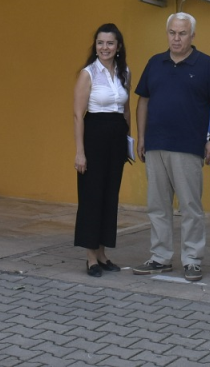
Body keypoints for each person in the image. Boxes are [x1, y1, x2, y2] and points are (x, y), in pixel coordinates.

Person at [133, 12, 210, 282]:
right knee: (157, 206)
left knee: (190, 207)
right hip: (155, 145)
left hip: (188, 147)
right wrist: (141, 137)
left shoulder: (206, 65)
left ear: (192, 35)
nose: (176, 38)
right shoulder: (155, 63)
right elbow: (143, 101)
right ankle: (160, 258)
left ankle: (192, 260)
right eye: (172, 32)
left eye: (182, 33)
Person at [72, 23, 131, 277]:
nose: (104, 47)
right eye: (100, 43)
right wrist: (80, 151)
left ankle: (103, 253)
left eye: (109, 43)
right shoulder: (88, 73)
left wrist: (128, 141)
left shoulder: (124, 72)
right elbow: (77, 115)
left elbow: (126, 109)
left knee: (110, 196)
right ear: (95, 46)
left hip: (117, 136)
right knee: (92, 196)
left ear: (118, 47)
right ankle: (90, 257)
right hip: (94, 134)